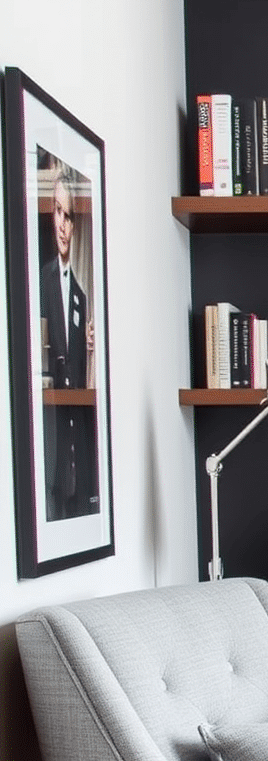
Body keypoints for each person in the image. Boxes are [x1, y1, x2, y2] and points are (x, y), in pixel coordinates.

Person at [39, 169, 98, 519]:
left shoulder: (79, 294)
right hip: (52, 428)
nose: (63, 225)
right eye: (57, 213)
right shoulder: (40, 282)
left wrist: (91, 348)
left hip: (78, 433)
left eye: (69, 216)